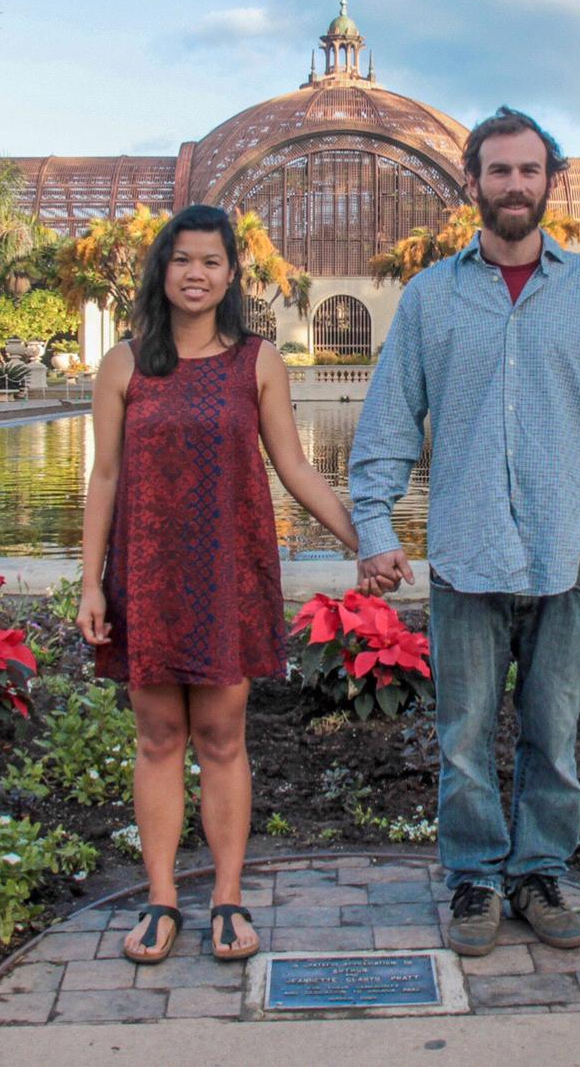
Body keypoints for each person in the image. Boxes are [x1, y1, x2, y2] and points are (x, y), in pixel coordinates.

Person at [349, 106, 580, 959]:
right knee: (465, 737)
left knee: (554, 737)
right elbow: (389, 421)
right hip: (468, 558)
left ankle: (542, 871)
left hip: (567, 558)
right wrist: (375, 524)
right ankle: (476, 877)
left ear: (550, 182)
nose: (514, 185)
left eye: (529, 170)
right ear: (470, 183)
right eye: (498, 171)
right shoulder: (431, 298)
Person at [75, 204, 360, 967]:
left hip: (229, 573)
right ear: (162, 272)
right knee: (158, 738)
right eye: (182, 260)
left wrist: (367, 540)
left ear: (231, 274)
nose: (196, 274)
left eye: (210, 261)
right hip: (148, 574)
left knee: (223, 739)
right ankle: (163, 898)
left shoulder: (256, 362)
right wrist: (91, 584)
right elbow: (103, 478)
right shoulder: (125, 365)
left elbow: (295, 469)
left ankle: (227, 896)